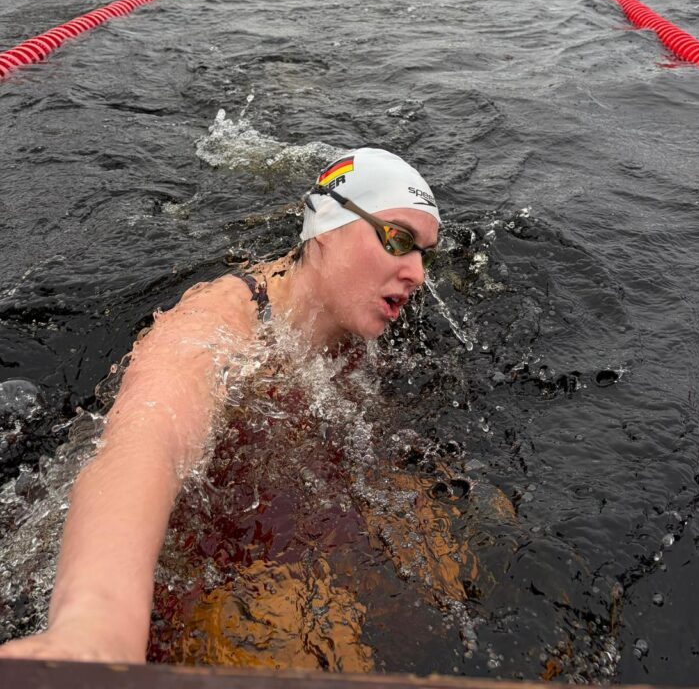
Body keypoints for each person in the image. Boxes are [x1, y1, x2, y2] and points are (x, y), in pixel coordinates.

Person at [0, 149, 442, 664]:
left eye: (425, 253)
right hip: (164, 552)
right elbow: (148, 444)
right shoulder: (221, 323)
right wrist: (93, 629)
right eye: (398, 240)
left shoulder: (368, 328)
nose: (418, 273)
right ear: (326, 227)